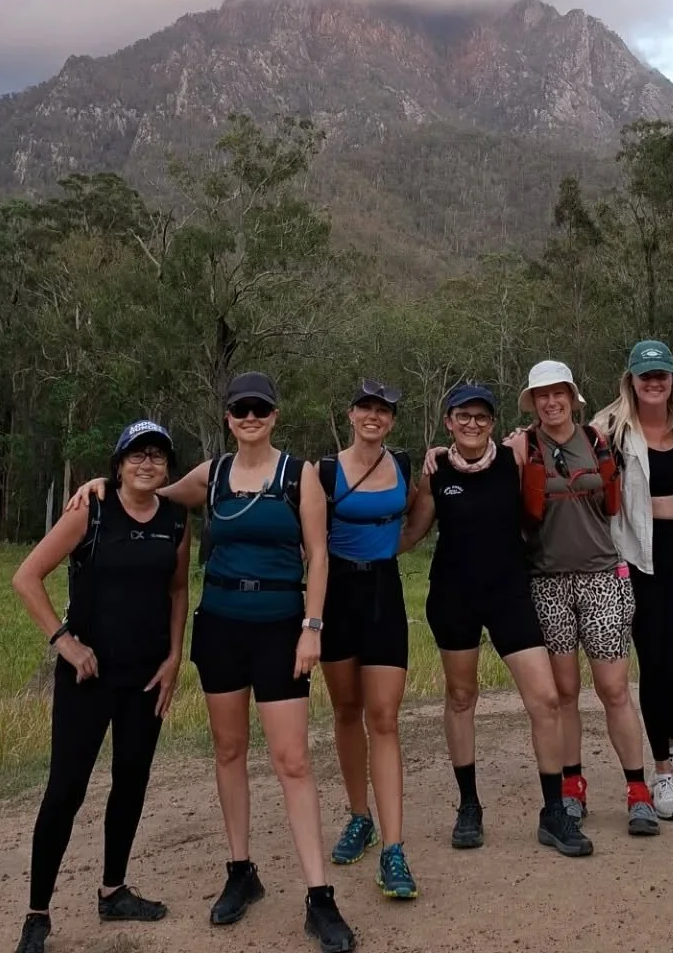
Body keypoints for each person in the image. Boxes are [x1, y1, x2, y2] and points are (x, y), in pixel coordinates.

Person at [67, 373, 356, 952]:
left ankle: (319, 896)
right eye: (239, 409)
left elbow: (320, 556)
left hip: (281, 628)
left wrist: (312, 627)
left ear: (275, 415)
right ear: (228, 417)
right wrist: (102, 481)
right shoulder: (212, 475)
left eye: (260, 408)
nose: (250, 417)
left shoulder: (300, 476)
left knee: (292, 761)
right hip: (221, 626)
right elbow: (149, 490)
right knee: (228, 751)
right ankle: (240, 871)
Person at [10, 419, 190, 953]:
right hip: (87, 677)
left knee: (131, 782)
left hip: (146, 676)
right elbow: (26, 576)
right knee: (65, 791)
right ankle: (37, 914)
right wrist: (65, 642)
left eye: (157, 455)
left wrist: (175, 657)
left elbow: (179, 590)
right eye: (136, 454)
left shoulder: (177, 521)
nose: (147, 463)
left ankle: (113, 891)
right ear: (118, 464)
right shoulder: (89, 510)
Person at [403, 383, 592, 858]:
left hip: (510, 594)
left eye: (481, 417)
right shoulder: (436, 471)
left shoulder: (514, 458)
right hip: (453, 597)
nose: (472, 424)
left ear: (492, 422)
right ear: (448, 422)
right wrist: (345, 557)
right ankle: (469, 805)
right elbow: (410, 531)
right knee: (462, 697)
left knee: (546, 699)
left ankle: (554, 812)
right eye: (462, 417)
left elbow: (561, 444)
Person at [505, 360, 658, 836]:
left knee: (614, 689)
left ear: (573, 397)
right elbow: (473, 461)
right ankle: (572, 786)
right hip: (547, 582)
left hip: (602, 578)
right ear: (532, 402)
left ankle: (638, 791)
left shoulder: (598, 440)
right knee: (565, 692)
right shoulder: (520, 448)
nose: (552, 403)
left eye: (559, 394)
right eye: (542, 396)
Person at [591, 340, 673, 821]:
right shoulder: (610, 428)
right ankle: (662, 774)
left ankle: (669, 739)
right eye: (645, 375)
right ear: (631, 380)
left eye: (662, 374)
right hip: (638, 562)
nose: (654, 382)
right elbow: (559, 441)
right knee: (655, 668)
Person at [319, 380, 418, 899]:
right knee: (346, 710)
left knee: (384, 717)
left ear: (392, 420)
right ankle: (360, 817)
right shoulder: (325, 472)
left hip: (384, 592)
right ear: (351, 413)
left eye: (383, 409)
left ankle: (394, 849)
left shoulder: (402, 465)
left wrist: (403, 542)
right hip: (337, 595)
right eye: (365, 407)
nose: (373, 416)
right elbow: (308, 542)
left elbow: (421, 509)